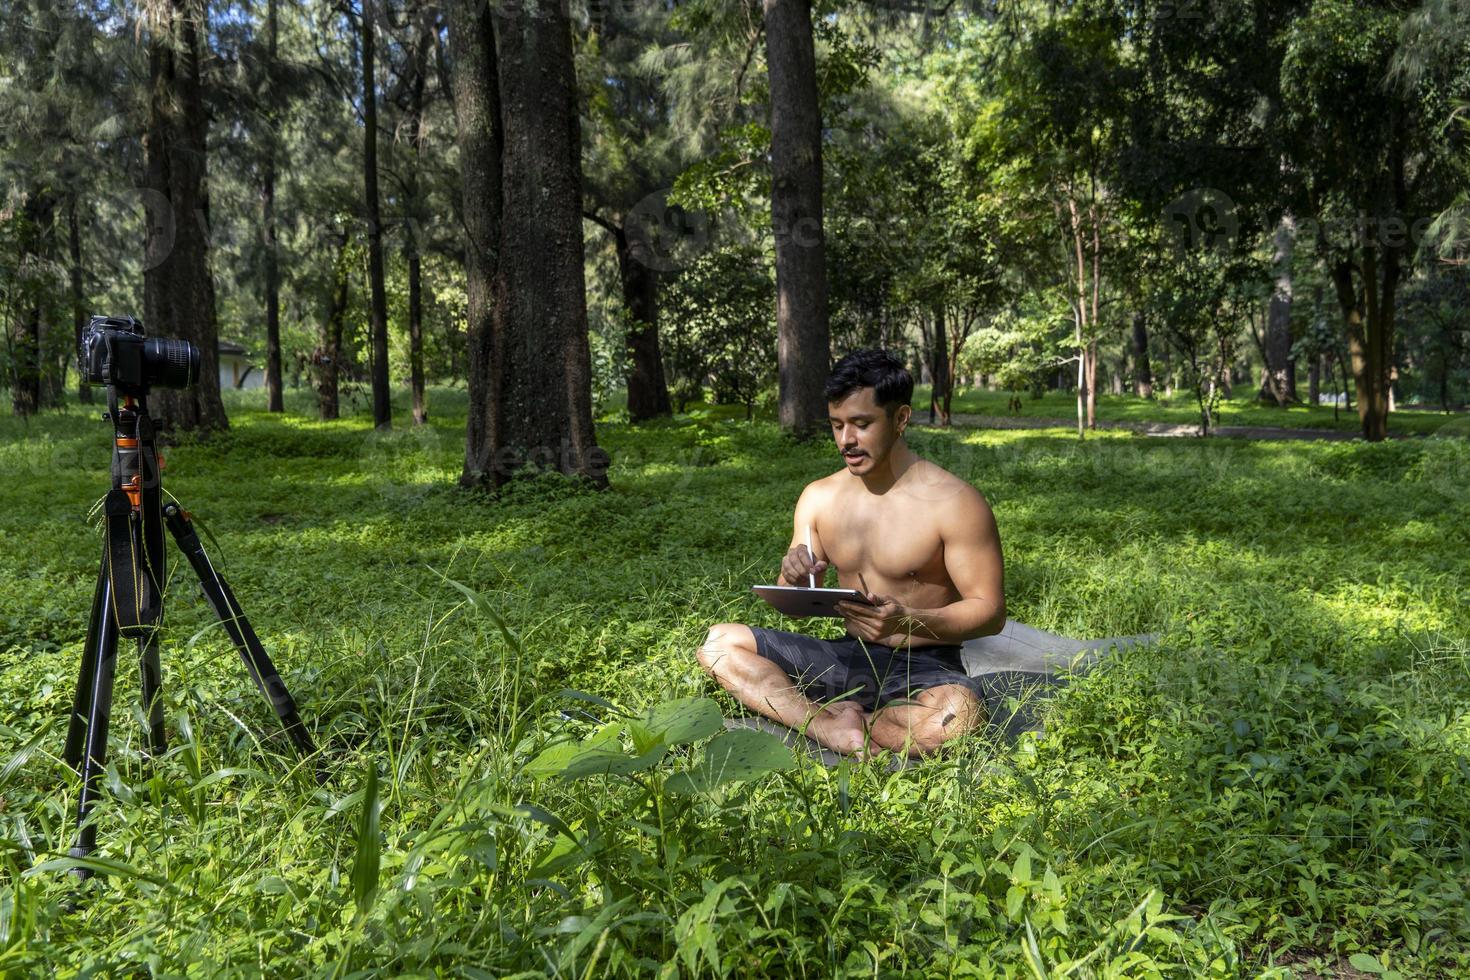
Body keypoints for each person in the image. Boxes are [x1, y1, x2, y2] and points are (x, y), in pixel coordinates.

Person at [696, 349, 1005, 757]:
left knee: (958, 720)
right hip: (846, 655)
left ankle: (856, 720)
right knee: (719, 644)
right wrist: (793, 577)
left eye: (862, 424)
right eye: (837, 425)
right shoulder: (819, 498)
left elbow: (990, 611)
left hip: (924, 664)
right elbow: (798, 603)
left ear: (900, 419)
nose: (847, 440)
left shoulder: (955, 502)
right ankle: (828, 725)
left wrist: (909, 621)